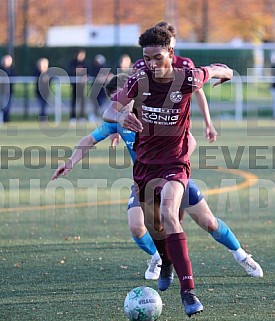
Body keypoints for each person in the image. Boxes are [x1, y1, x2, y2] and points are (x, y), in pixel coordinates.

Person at [51, 73, 263, 286]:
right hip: (145, 182)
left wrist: (175, 167)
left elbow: (191, 141)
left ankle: (242, 255)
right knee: (137, 226)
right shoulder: (119, 122)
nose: (121, 107)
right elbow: (89, 140)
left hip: (174, 177)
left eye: (122, 99)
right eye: (116, 102)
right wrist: (70, 162)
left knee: (209, 223)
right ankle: (157, 258)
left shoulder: (156, 112)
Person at [102, 26, 234, 317]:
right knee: (155, 227)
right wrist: (122, 115)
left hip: (175, 163)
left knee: (169, 215)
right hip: (145, 167)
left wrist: (225, 75)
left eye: (157, 57)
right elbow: (109, 111)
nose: (151, 63)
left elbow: (220, 69)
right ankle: (166, 261)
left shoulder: (187, 77)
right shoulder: (138, 80)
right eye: (146, 58)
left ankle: (188, 293)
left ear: (170, 54)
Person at [133, 21, 217, 144]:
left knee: (188, 145)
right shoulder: (142, 66)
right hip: (148, 124)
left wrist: (208, 123)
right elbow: (129, 97)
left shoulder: (185, 65)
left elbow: (199, 92)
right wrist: (120, 122)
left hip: (175, 122)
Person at [88, 54, 113, 122]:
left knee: (101, 103)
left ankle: (98, 115)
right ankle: (93, 115)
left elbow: (109, 75)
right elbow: (94, 76)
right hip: (95, 89)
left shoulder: (104, 68)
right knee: (95, 103)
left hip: (102, 89)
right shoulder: (93, 69)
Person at [68, 49, 88, 122]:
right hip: (74, 85)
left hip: (82, 86)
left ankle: (82, 117)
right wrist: (76, 71)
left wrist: (85, 76)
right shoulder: (72, 63)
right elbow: (70, 71)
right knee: (74, 101)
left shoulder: (85, 63)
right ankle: (72, 117)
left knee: (82, 101)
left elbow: (88, 72)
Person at [0, 54, 15, 123]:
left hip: (10, 91)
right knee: (3, 106)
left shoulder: (12, 70)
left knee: (8, 106)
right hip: (2, 91)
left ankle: (6, 119)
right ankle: (3, 119)